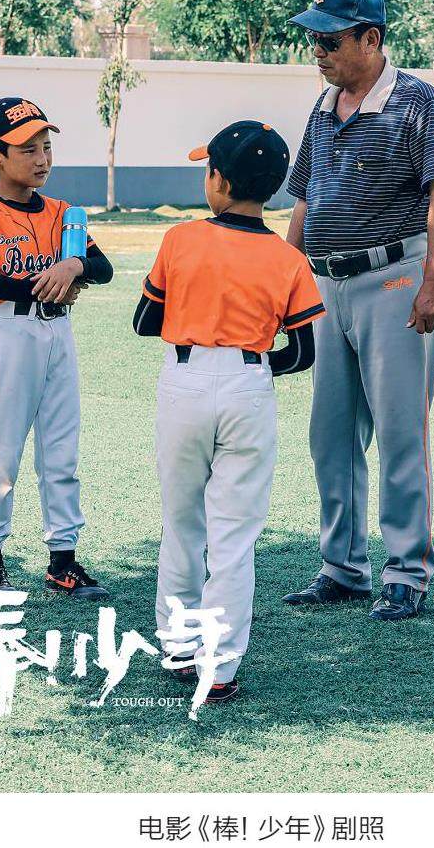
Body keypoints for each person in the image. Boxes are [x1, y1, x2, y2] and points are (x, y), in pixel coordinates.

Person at [282, 0, 434, 622]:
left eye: (330, 40)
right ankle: (343, 568)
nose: (318, 51)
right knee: (330, 435)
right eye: (314, 40)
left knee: (399, 431)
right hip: (326, 285)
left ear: (371, 39)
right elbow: (304, 199)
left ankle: (407, 572)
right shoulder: (323, 106)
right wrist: (283, 276)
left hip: (394, 283)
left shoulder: (418, 102)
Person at [133, 120, 325, 704]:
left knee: (181, 524)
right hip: (249, 385)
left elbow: (144, 321)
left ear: (218, 180)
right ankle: (218, 671)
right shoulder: (287, 258)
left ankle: (177, 647)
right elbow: (303, 353)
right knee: (234, 538)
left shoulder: (180, 239)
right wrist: (255, 364)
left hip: (185, 378)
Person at [0, 97, 113, 601]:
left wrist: (75, 267)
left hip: (58, 333)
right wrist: (49, 282)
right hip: (11, 333)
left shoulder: (64, 213)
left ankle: (63, 560)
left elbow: (103, 268)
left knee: (62, 451)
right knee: (1, 453)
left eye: (46, 147)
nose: (42, 158)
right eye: (27, 149)